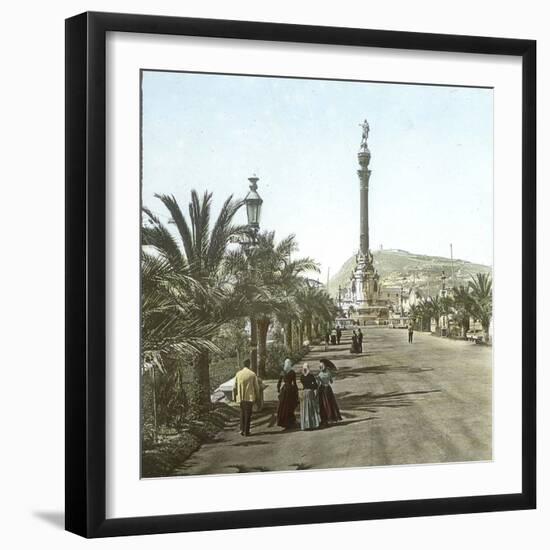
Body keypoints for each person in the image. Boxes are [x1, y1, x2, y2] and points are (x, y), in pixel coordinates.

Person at [233, 359, 261, 436]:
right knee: (248, 414)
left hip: (241, 397)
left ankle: (241, 429)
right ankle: (246, 431)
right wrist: (258, 397)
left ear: (243, 364)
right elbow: (256, 387)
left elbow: (234, 387)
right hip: (249, 397)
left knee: (242, 413)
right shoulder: (252, 374)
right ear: (249, 364)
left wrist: (234, 397)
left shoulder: (238, 374)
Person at [317, 361, 342, 426]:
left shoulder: (320, 374)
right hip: (328, 388)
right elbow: (331, 382)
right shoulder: (328, 373)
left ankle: (324, 419)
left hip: (322, 389)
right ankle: (331, 417)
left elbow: (318, 384)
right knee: (330, 403)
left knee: (323, 404)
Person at [299, 363, 321, 430]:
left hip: (304, 392)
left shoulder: (301, 377)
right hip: (310, 392)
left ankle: (305, 425)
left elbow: (303, 384)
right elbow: (315, 386)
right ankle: (312, 424)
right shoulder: (311, 376)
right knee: (311, 408)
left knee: (305, 408)